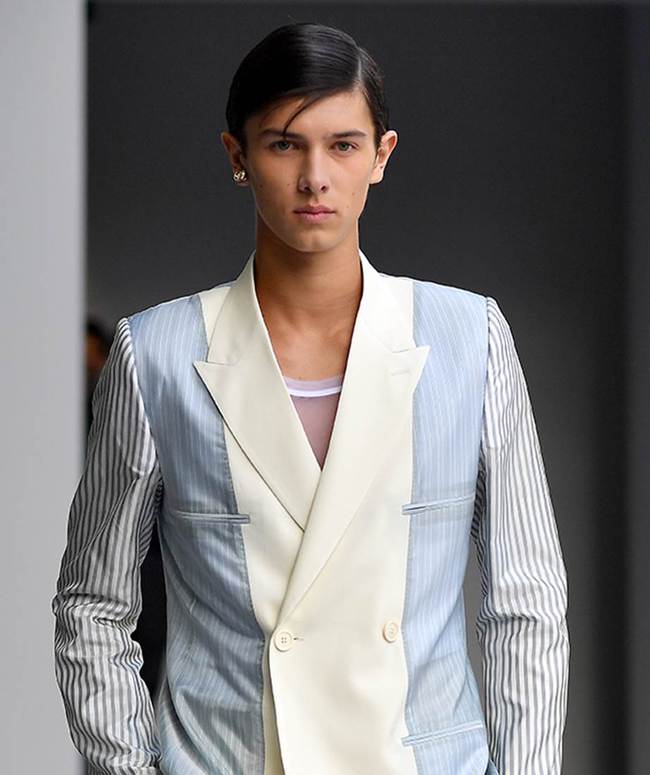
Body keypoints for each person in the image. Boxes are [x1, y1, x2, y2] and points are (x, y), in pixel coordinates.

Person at [52, 22, 570, 775]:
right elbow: (93, 604)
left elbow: (526, 601)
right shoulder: (154, 354)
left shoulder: (471, 339)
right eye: (284, 144)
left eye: (343, 145)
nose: (315, 177)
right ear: (237, 156)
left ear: (381, 156)